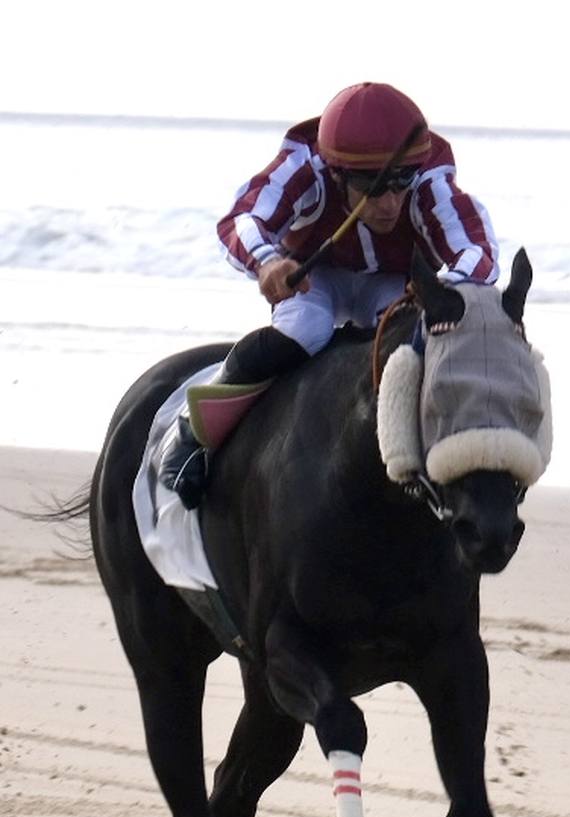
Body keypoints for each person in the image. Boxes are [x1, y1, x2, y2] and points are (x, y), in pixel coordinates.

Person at [158, 81, 499, 509]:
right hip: (313, 278)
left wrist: (444, 286)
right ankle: (192, 434)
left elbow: (478, 251)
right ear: (336, 173)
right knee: (306, 328)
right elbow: (243, 217)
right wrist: (267, 262)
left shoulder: (428, 178)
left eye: (399, 184)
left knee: (414, 338)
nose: (390, 203)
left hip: (393, 285)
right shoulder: (305, 166)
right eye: (372, 188)